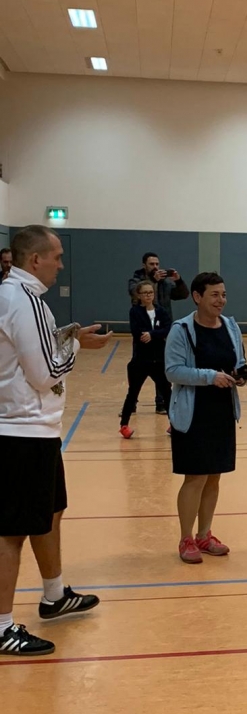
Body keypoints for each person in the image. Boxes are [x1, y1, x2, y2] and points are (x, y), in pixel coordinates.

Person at [0, 225, 110, 656]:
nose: (61, 265)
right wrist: (76, 349)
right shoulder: (22, 300)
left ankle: (54, 594)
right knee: (11, 533)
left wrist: (70, 337)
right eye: (57, 257)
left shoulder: (20, 297)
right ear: (35, 260)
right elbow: (45, 373)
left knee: (50, 510)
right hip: (21, 432)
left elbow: (31, 350)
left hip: (36, 429)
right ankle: (2, 626)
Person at [164, 272, 247, 564]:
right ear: (197, 297)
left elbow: (237, 362)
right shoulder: (181, 330)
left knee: (214, 476)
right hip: (192, 413)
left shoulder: (231, 327)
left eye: (223, 294)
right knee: (195, 477)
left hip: (222, 411)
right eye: (214, 294)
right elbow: (173, 371)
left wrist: (240, 375)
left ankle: (204, 535)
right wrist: (210, 377)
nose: (221, 300)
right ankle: (186, 538)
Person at [128, 252, 190, 414]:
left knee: (162, 368)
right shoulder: (136, 280)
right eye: (151, 264)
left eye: (157, 264)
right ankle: (131, 403)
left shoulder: (165, 282)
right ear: (144, 265)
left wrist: (179, 280)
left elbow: (183, 295)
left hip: (162, 332)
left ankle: (161, 403)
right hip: (143, 333)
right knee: (137, 369)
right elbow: (133, 292)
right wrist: (152, 281)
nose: (155, 267)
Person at [119, 281, 173, 439]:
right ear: (139, 295)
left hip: (159, 360)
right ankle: (124, 425)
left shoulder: (161, 311)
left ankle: (174, 423)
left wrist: (152, 334)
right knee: (133, 393)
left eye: (151, 292)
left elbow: (168, 328)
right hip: (141, 361)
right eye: (145, 293)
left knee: (167, 392)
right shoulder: (135, 312)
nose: (149, 295)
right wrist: (153, 334)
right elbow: (137, 332)